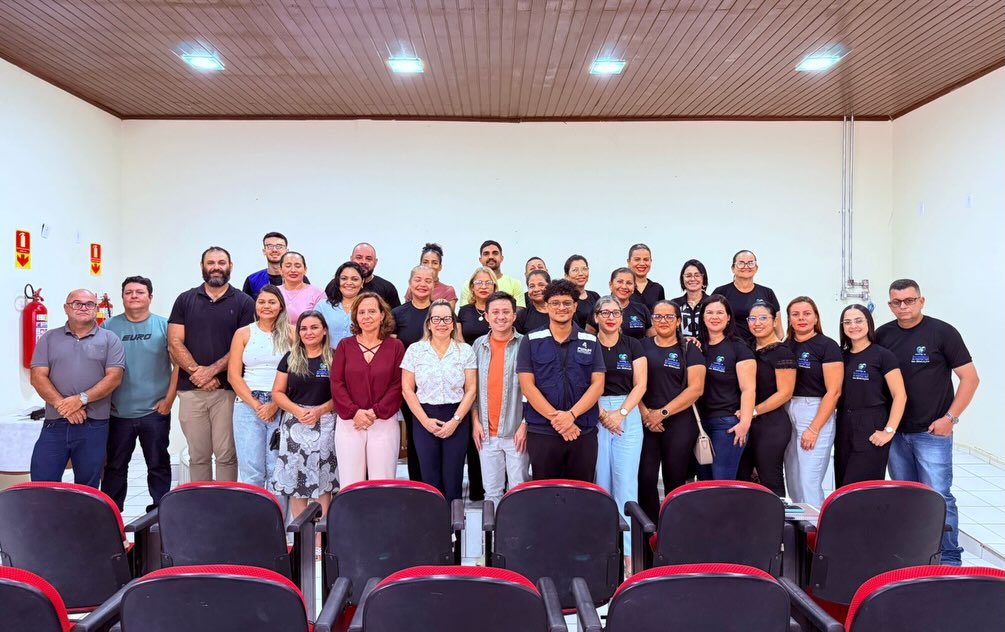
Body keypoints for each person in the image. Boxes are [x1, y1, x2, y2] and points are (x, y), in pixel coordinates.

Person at [876, 279, 979, 566]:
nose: (903, 306)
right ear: (889, 305)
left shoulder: (942, 333)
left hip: (932, 432)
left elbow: (970, 379)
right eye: (897, 302)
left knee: (939, 496)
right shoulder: (883, 335)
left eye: (909, 300)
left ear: (921, 301)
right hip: (896, 432)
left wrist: (950, 418)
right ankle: (913, 556)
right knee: (907, 496)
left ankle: (948, 558)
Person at [168, 246, 255, 481]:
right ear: (202, 266)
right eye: (211, 262)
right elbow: (174, 341)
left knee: (226, 454)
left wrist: (212, 371)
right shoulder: (185, 300)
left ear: (230, 266)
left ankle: (226, 509)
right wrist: (198, 373)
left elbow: (244, 345)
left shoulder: (244, 302)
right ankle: (202, 509)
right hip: (190, 390)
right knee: (198, 455)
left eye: (221, 262)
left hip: (228, 391)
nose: (216, 267)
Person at [30, 289, 125, 488]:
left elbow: (114, 378)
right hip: (55, 423)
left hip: (94, 424)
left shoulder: (110, 339)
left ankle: (83, 520)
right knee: (42, 483)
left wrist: (80, 399)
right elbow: (38, 377)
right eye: (77, 303)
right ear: (66, 308)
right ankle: (48, 520)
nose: (83, 307)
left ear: (96, 309)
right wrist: (63, 406)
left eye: (89, 304)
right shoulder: (49, 338)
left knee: (87, 488)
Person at [101, 277, 178, 510]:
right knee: (114, 467)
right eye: (128, 292)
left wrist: (169, 401)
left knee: (158, 464)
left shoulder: (165, 326)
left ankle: (160, 511)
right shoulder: (108, 328)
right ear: (122, 297)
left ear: (150, 297)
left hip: (154, 412)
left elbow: (178, 367)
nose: (134, 296)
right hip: (118, 413)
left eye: (139, 292)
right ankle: (112, 514)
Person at [517, 279, 605, 481]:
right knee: (546, 494)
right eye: (555, 303)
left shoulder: (590, 341)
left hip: (582, 431)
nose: (561, 308)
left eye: (567, 303)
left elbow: (598, 385)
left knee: (582, 493)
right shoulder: (530, 340)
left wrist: (571, 415)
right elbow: (527, 387)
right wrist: (558, 420)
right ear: (546, 306)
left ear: (575, 306)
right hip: (543, 431)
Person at [401, 300, 478, 503]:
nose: (441, 323)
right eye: (436, 318)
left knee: (453, 478)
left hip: (456, 416)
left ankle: (455, 531)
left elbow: (471, 390)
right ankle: (433, 529)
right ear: (428, 323)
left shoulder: (465, 351)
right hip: (424, 416)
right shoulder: (415, 351)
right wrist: (425, 421)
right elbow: (407, 390)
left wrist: (455, 420)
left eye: (447, 318)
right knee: (430, 477)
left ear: (453, 323)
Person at [592, 296, 647, 571]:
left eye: (616, 312)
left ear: (622, 318)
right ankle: (603, 552)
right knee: (601, 483)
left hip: (628, 413)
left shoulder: (633, 345)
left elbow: (640, 385)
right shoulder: (589, 345)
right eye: (605, 312)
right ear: (596, 317)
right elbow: (584, 383)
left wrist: (620, 414)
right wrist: (604, 415)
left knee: (626, 485)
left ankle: (628, 557)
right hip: (596, 411)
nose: (611, 317)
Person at [638, 300, 705, 520]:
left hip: (679, 424)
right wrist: (646, 413)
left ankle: (674, 533)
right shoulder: (642, 346)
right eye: (658, 317)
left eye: (669, 317)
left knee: (674, 479)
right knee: (645, 478)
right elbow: (632, 384)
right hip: (646, 423)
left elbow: (696, 389)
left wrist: (662, 413)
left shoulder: (689, 349)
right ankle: (649, 534)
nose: (663, 321)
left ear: (678, 321)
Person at [330, 293, 406, 487]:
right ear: (355, 317)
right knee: (350, 483)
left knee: (382, 482)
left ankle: (382, 519)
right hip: (350, 423)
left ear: (382, 315)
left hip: (383, 421)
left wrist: (376, 412)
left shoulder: (396, 346)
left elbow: (398, 384)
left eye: (372, 311)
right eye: (361, 312)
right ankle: (352, 519)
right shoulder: (345, 346)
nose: (366, 316)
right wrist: (355, 412)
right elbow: (337, 383)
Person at [271, 311, 337, 521]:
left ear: (324, 330)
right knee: (296, 482)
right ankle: (301, 542)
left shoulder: (335, 357)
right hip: (294, 424)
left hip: (325, 423)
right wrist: (297, 410)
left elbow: (342, 395)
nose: (309, 332)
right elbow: (277, 393)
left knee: (323, 482)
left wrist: (319, 410)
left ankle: (319, 543)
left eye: (314, 327)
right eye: (304, 328)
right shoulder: (290, 358)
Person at [228, 285, 292, 500]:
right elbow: (234, 376)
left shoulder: (292, 333)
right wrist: (257, 406)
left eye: (272, 302)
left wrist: (275, 404)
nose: (266, 306)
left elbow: (297, 372)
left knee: (278, 469)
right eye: (262, 301)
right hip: (247, 406)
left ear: (280, 306)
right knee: (251, 471)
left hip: (281, 404)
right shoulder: (244, 333)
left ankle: (280, 529)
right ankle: (253, 529)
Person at [836, 304, 906, 486]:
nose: (853, 326)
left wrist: (889, 431)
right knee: (843, 486)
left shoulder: (883, 356)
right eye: (848, 322)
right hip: (844, 425)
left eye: (859, 320)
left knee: (864, 488)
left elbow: (900, 395)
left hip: (871, 426)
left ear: (869, 322)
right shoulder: (840, 356)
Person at [783, 296, 843, 507]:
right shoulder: (786, 345)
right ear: (789, 319)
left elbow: (834, 391)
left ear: (816, 317)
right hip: (788, 408)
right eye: (795, 314)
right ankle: (800, 534)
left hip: (815, 411)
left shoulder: (827, 345)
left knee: (809, 479)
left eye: (807, 313)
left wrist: (814, 428)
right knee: (793, 479)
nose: (801, 318)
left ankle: (817, 532)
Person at [472, 292, 530, 507]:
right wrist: (475, 420)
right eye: (495, 312)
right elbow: (472, 389)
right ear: (487, 316)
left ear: (514, 316)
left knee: (518, 491)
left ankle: (519, 538)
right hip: (486, 433)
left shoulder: (526, 344)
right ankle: (494, 539)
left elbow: (534, 390)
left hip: (516, 432)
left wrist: (525, 424)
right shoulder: (478, 346)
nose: (501, 317)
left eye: (506, 312)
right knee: (492, 492)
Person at [736, 300, 795, 496]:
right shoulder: (746, 348)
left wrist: (752, 411)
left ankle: (779, 525)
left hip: (771, 424)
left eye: (763, 318)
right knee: (741, 478)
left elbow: (785, 393)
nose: (757, 323)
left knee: (770, 478)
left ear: (774, 320)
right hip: (745, 423)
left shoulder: (782, 352)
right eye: (752, 318)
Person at [697, 295, 756, 480]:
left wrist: (744, 423)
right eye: (710, 312)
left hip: (727, 425)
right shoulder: (696, 346)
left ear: (729, 317)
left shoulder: (738, 348)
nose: (715, 317)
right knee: (703, 483)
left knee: (722, 482)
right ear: (703, 317)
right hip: (699, 424)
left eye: (720, 312)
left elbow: (748, 388)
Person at [393, 265, 436, 481]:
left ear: (434, 284)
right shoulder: (398, 314)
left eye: (427, 280)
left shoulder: (440, 312)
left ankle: (437, 482)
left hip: (438, 387)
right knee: (415, 433)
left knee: (436, 433)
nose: (422, 284)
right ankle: (418, 483)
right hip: (409, 386)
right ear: (410, 283)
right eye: (418, 279)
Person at [712, 250, 783, 346]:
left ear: (756, 268)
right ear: (733, 268)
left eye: (750, 263)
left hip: (761, 349)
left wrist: (771, 350)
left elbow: (778, 331)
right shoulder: (721, 292)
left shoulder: (767, 293)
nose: (746, 266)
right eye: (741, 263)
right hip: (729, 347)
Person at [242, 231, 310, 299]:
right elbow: (245, 307)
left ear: (286, 251)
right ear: (264, 251)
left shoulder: (299, 278)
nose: (274, 250)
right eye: (270, 246)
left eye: (279, 246)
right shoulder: (252, 280)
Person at [590, 268, 653, 339]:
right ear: (610, 285)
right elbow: (589, 339)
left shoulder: (642, 309)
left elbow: (652, 339)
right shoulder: (599, 308)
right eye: (620, 282)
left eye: (629, 283)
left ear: (634, 287)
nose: (624, 286)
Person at [460, 240, 525, 307]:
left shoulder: (515, 284)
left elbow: (519, 312)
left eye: (495, 253)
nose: (491, 257)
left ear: (502, 258)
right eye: (486, 254)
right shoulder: (469, 285)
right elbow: (466, 313)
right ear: (480, 259)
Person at [316, 261, 366, 347]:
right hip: (327, 358)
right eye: (344, 278)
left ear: (362, 282)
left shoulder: (369, 308)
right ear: (337, 281)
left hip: (361, 358)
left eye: (354, 279)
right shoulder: (322, 306)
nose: (349, 283)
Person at [404, 243, 458, 310]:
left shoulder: (448, 291)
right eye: (425, 262)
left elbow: (448, 318)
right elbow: (406, 312)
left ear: (440, 267)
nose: (429, 266)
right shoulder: (413, 288)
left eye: (434, 263)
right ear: (420, 265)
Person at [276, 251, 324, 323]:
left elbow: (322, 324)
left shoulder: (318, 294)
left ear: (305, 270)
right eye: (288, 266)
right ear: (280, 270)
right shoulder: (274, 292)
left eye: (297, 266)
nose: (293, 270)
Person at [350, 242, 401, 308]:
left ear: (375, 262)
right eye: (359, 257)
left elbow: (395, 317)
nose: (363, 262)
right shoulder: (338, 285)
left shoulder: (388, 288)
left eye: (368, 259)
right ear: (351, 259)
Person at [457, 267, 497, 345]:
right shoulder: (464, 311)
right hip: (469, 355)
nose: (484, 287)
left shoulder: (499, 311)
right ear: (472, 287)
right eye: (479, 282)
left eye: (488, 282)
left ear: (494, 287)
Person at [671, 259, 709, 339]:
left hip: (709, 349)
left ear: (703, 278)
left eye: (697, 275)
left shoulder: (712, 303)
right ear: (682, 279)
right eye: (688, 276)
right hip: (681, 349)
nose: (692, 279)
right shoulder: (674, 304)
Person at [565, 254, 601, 329]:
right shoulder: (564, 299)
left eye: (584, 269)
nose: (581, 273)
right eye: (575, 270)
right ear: (566, 276)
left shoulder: (595, 296)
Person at [627, 244, 665, 311]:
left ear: (651, 261)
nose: (642, 263)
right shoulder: (622, 288)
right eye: (637, 259)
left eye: (646, 259)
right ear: (628, 262)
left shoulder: (657, 289)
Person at [515, 269, 551, 334]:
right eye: (532, 286)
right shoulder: (521, 316)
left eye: (541, 285)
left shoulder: (560, 311)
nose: (536, 289)